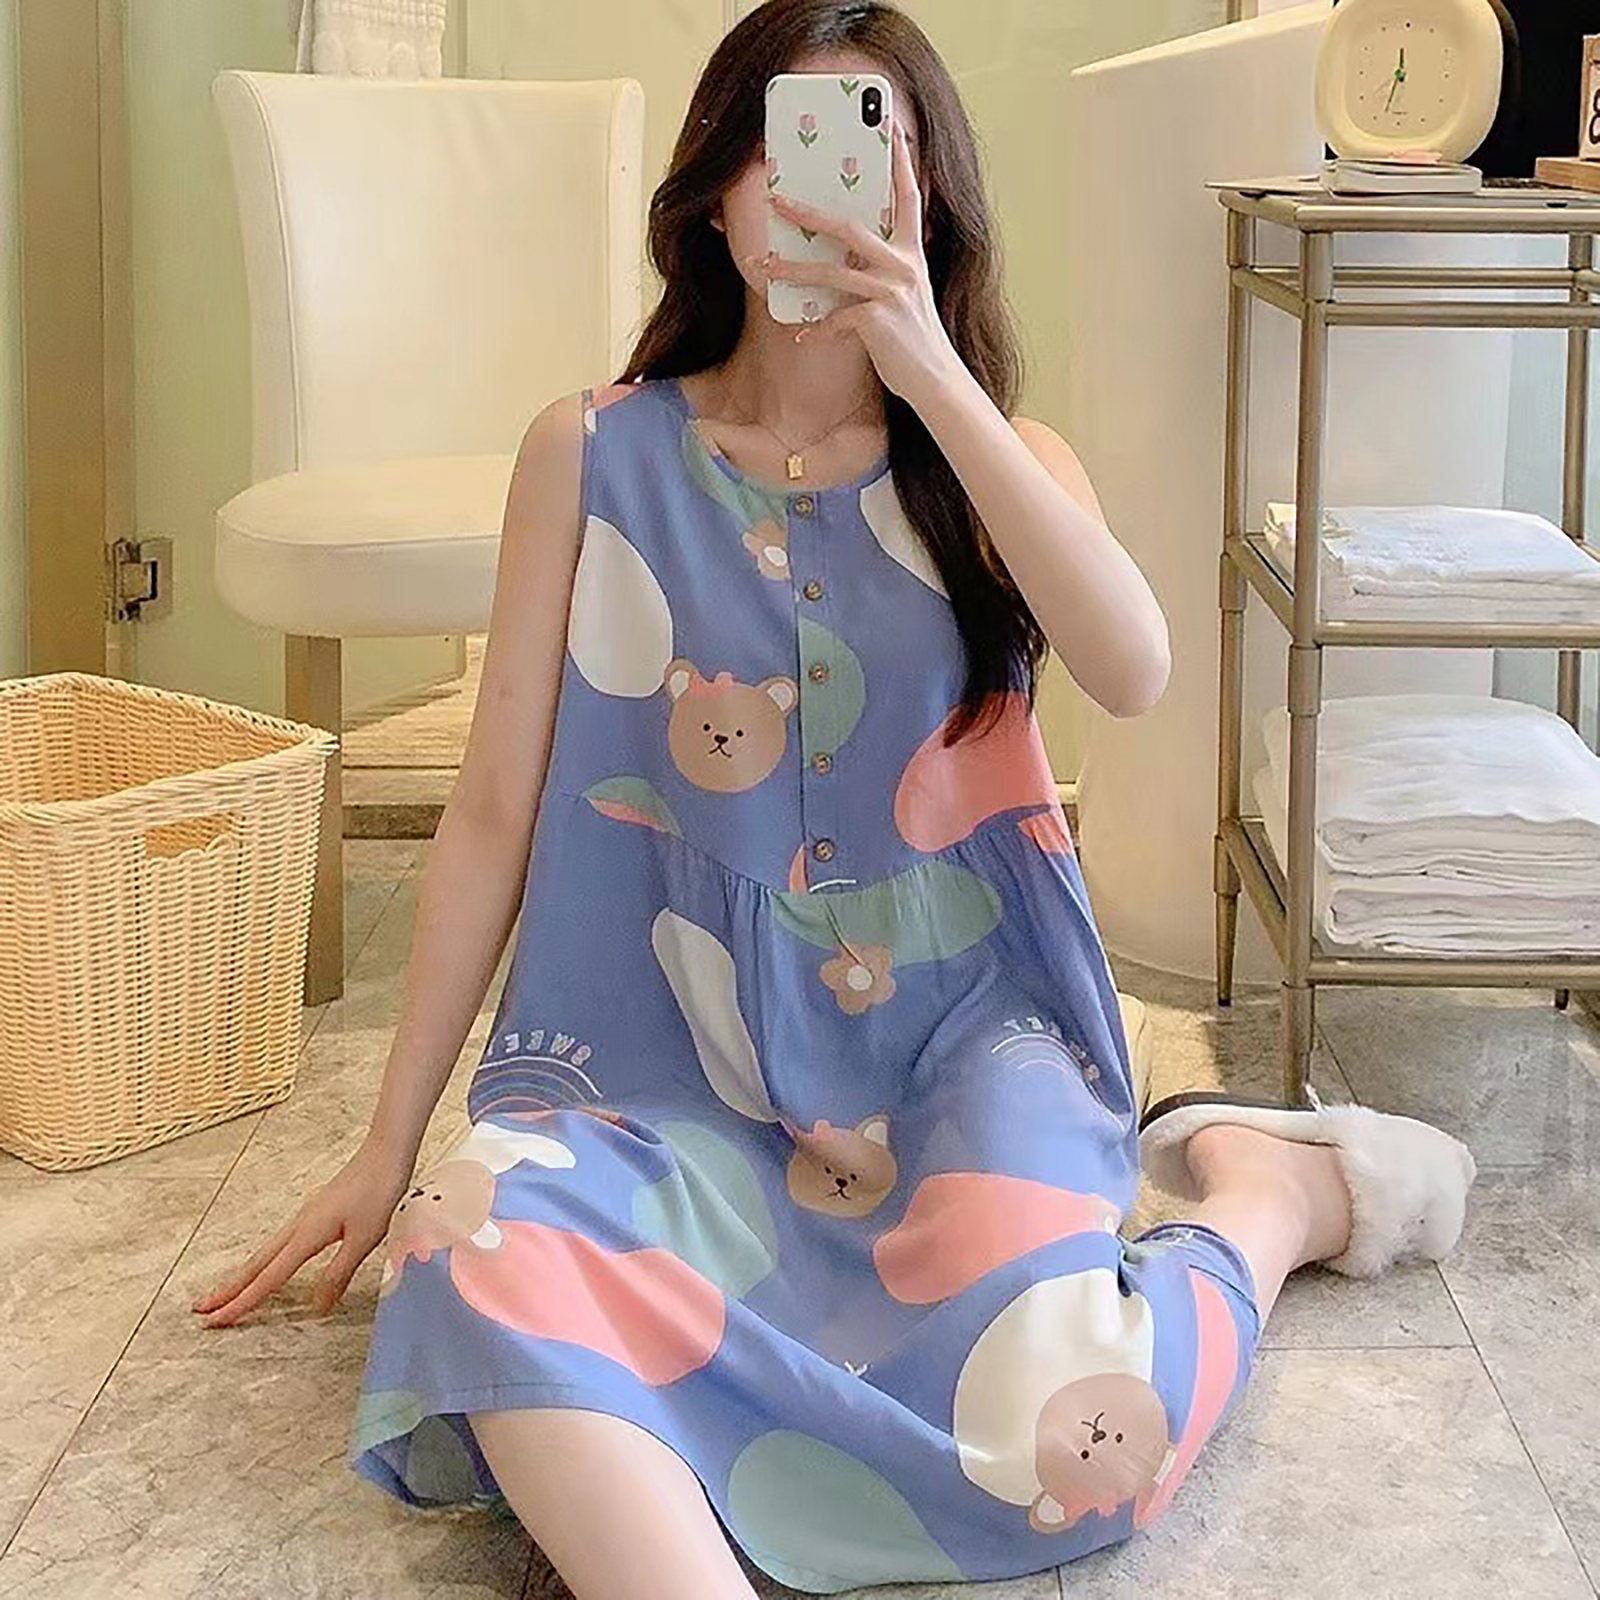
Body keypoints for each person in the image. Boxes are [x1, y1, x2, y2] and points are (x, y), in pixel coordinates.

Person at [192, 4, 1477, 1596]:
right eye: (778, 145)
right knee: (474, 1245)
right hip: (657, 1054)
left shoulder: (1002, 458)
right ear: (714, 192)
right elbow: (492, 817)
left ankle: (1268, 1201)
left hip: (962, 1040)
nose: (815, 192)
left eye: (872, 150)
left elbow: (1135, 667)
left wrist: (929, 370)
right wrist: (389, 1146)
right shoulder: (589, 453)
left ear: (928, 199)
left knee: (1070, 1435)